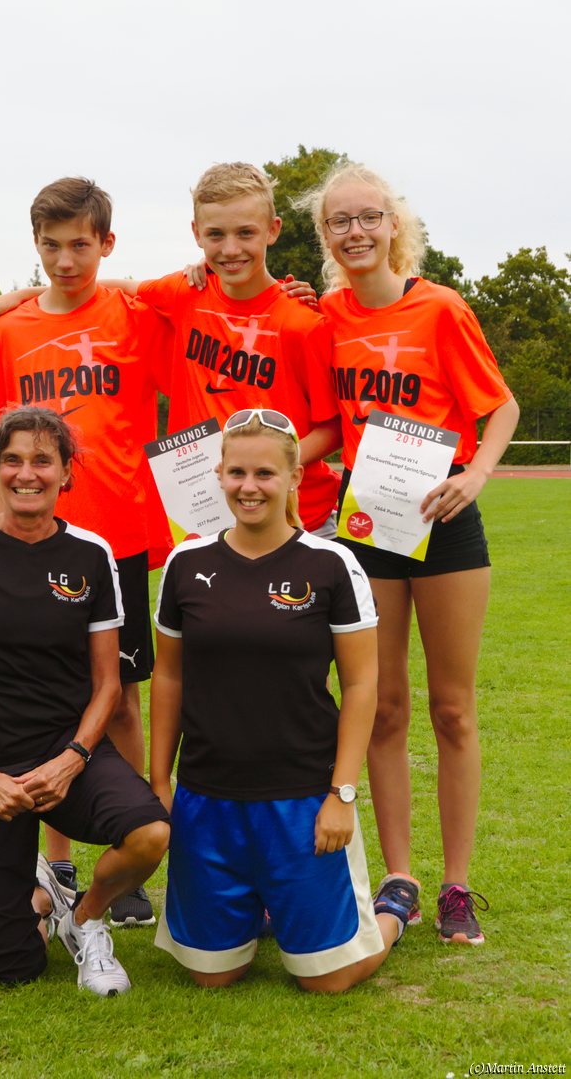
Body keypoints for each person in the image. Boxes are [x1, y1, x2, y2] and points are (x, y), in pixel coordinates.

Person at [299, 162, 519, 945]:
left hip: (444, 522)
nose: (355, 231)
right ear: (324, 236)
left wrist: (475, 474)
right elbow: (330, 424)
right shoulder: (325, 318)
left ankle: (456, 885)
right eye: (338, 221)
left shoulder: (440, 308)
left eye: (368, 217)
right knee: (383, 707)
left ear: (393, 224)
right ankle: (402, 878)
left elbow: (499, 407)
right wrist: (274, 455)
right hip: (370, 527)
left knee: (451, 709)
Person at [149, 409, 420, 992]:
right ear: (219, 474)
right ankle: (263, 902)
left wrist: (341, 795)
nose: (249, 487)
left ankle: (393, 908)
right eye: (237, 472)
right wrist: (160, 781)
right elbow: (168, 678)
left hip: (302, 799)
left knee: (330, 979)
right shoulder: (185, 563)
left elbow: (362, 685)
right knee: (212, 976)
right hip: (208, 797)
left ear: (295, 477)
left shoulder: (332, 564)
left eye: (265, 474)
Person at [0, 407, 169, 995]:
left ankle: (84, 918)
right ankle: (41, 895)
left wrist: (73, 758)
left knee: (151, 833)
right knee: (15, 968)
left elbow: (108, 686)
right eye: (12, 460)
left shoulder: (91, 553)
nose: (26, 474)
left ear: (66, 472)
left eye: (42, 461)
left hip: (65, 753)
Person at [0, 177, 173, 927]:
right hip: (35, 541)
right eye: (51, 246)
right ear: (35, 246)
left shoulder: (135, 316)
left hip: (117, 537)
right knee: (48, 698)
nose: (66, 261)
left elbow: (199, 308)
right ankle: (55, 862)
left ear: (107, 244)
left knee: (120, 697)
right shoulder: (10, 331)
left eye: (80, 245)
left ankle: (124, 840)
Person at [0, 163, 342, 539]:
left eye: (245, 232)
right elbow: (97, 287)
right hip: (206, 518)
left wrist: (267, 462)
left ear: (273, 230)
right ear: (197, 234)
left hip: (298, 519)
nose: (231, 248)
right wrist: (24, 295)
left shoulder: (302, 321)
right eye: (216, 234)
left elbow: (333, 427)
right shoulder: (186, 294)